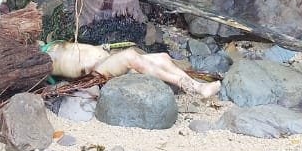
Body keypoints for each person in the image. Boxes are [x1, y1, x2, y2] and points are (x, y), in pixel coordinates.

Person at [45, 41, 222, 98]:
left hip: (105, 57)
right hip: (98, 70)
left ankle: (196, 85)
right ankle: (191, 87)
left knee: (162, 56)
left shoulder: (50, 45)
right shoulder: (45, 61)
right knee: (130, 56)